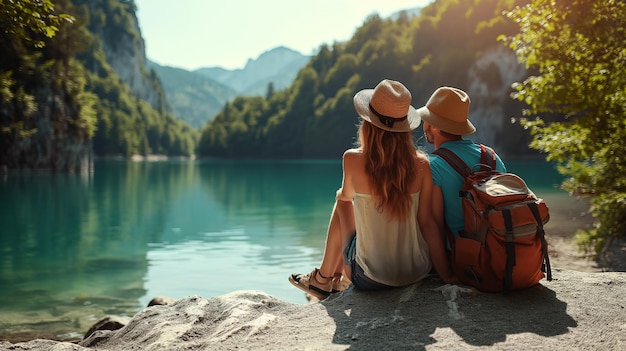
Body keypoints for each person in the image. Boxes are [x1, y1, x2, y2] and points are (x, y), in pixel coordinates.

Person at [289, 79, 457, 301]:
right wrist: (447, 276)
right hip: (417, 273)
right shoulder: (422, 165)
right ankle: (325, 278)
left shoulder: (352, 159)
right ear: (404, 128)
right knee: (349, 200)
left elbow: (345, 204)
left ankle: (323, 279)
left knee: (342, 199)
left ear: (368, 124)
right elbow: (428, 224)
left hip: (370, 278)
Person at [416, 86, 507, 246]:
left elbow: (433, 226)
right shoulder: (492, 157)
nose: (424, 124)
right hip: (499, 251)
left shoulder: (432, 166)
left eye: (426, 119)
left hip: (461, 259)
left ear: (434, 126)